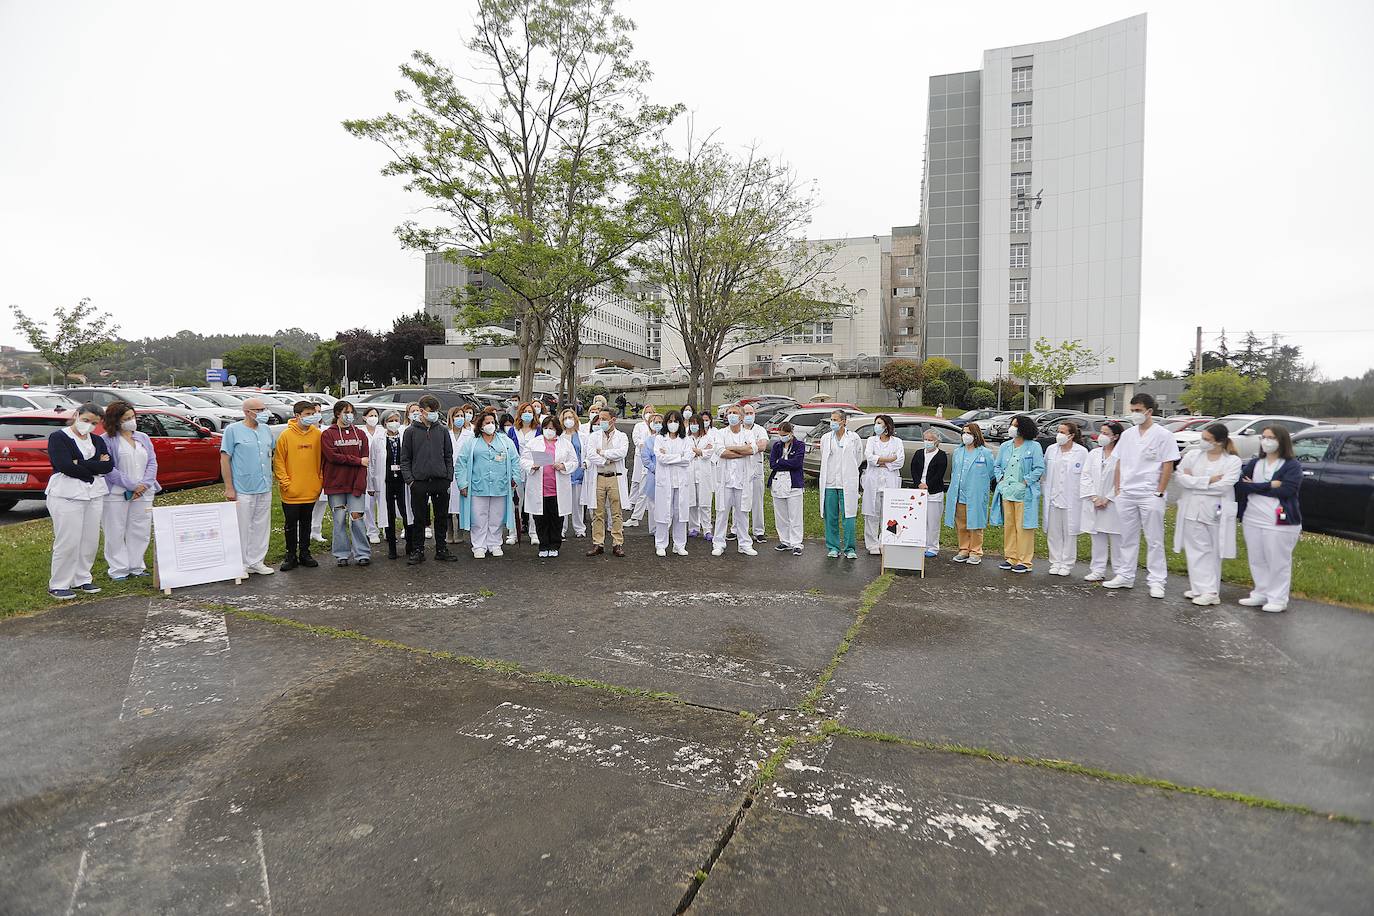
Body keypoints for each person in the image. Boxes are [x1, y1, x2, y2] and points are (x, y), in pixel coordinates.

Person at [1106, 393, 1180, 597]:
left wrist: (1160, 491)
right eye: (1132, 410)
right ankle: (1125, 575)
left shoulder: (1163, 435)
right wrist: (1118, 489)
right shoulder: (1128, 435)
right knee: (1127, 537)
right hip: (1127, 493)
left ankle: (1157, 581)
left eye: (1138, 410)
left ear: (1149, 411)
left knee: (1154, 538)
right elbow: (1119, 461)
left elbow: (1168, 465)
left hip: (1150, 493)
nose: (1134, 414)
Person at [45, 403, 112, 599]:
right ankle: (59, 583)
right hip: (66, 494)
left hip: (94, 495)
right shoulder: (59, 437)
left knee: (89, 540)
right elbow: (65, 465)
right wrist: (93, 469)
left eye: (94, 423)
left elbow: (108, 466)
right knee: (68, 540)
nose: (89, 425)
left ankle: (82, 578)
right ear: (76, 415)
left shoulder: (97, 440)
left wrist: (81, 463)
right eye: (86, 420)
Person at [1173, 422, 1242, 606]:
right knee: (1195, 549)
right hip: (1191, 509)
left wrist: (1194, 482)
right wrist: (1207, 481)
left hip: (1215, 511)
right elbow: (1180, 478)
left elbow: (1224, 486)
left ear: (1219, 442)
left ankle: (1211, 591)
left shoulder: (1232, 461)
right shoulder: (1193, 456)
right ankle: (1199, 588)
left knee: (1212, 550)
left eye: (1207, 439)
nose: (1203, 442)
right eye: (1202, 438)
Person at [1236, 424, 1303, 612]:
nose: (1266, 441)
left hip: (1279, 521)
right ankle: (1261, 593)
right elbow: (1241, 486)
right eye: (1264, 437)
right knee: (1257, 558)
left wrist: (1256, 486)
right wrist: (1269, 485)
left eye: (1271, 437)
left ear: (1281, 441)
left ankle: (1278, 598)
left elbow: (1288, 490)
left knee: (1277, 560)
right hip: (1253, 518)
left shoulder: (1292, 466)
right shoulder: (1255, 463)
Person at [98, 400, 160, 580]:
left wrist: (145, 484)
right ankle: (118, 568)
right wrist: (132, 485)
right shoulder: (106, 440)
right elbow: (109, 468)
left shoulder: (142, 438)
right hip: (116, 493)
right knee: (115, 531)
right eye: (126, 418)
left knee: (140, 529)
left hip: (144, 492)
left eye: (133, 417)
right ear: (115, 420)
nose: (131, 421)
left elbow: (152, 461)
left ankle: (136, 566)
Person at [220, 395, 277, 577]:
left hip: (264, 485)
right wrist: (229, 487)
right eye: (259, 410)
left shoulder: (266, 430)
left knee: (261, 525)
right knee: (242, 526)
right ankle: (241, 563)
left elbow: (271, 453)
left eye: (264, 409)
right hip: (243, 487)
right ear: (247, 412)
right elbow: (225, 458)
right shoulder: (233, 430)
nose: (263, 413)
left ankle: (256, 561)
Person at [455, 409, 523, 558]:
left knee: (496, 517)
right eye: (487, 423)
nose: (490, 425)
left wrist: (515, 479)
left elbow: (515, 461)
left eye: (492, 422)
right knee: (478, 517)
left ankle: (495, 544)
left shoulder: (505, 442)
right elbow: (461, 463)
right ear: (480, 426)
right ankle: (479, 545)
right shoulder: (471, 442)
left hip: (501, 486)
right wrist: (463, 484)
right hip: (478, 486)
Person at [400, 394, 457, 565]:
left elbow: (448, 455)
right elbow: (405, 459)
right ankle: (418, 550)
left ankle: (441, 548)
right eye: (432, 411)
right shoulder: (410, 431)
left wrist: (448, 477)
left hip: (440, 480)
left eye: (436, 412)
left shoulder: (442, 430)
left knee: (441, 517)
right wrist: (410, 480)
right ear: (422, 411)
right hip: (419, 482)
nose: (435, 415)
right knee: (419, 518)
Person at [272, 399, 324, 571]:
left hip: (311, 489)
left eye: (313, 414)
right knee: (290, 524)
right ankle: (290, 555)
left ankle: (305, 553)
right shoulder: (286, 436)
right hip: (291, 491)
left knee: (306, 523)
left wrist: (319, 481)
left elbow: (323, 461)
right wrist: (286, 482)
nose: (311, 417)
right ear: (297, 416)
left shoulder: (317, 435)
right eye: (307, 415)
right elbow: (278, 462)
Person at [990, 415, 1045, 573]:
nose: (1011, 428)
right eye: (1011, 425)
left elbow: (1039, 468)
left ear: (1023, 428)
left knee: (1024, 527)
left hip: (1023, 493)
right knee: (1010, 526)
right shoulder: (1006, 446)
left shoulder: (1033, 446)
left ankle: (1025, 561)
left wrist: (1026, 482)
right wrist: (1000, 480)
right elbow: (997, 466)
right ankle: (1011, 557)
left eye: (1015, 425)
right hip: (1007, 491)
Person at [321, 401, 372, 567]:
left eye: (351, 412)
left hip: (355, 484)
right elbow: (333, 457)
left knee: (357, 518)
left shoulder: (361, 435)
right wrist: (356, 461)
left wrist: (360, 482)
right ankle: (341, 554)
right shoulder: (328, 435)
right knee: (339, 519)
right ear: (337, 414)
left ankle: (362, 553)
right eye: (346, 412)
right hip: (335, 484)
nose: (349, 415)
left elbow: (365, 462)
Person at [520, 415, 577, 558]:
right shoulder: (534, 443)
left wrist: (563, 466)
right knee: (540, 518)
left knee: (556, 518)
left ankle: (554, 545)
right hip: (539, 488)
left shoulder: (565, 444)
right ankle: (543, 545)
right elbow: (524, 459)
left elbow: (574, 461)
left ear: (557, 429)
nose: (548, 431)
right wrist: (532, 466)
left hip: (557, 489)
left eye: (551, 428)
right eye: (545, 428)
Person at [1079, 421, 1124, 582]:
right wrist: (1093, 497)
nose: (1101, 436)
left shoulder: (1122, 455)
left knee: (1117, 537)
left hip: (1113, 503)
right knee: (1097, 536)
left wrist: (1108, 498)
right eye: (1101, 432)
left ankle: (1120, 572)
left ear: (1115, 437)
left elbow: (1122, 479)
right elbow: (1085, 476)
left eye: (1106, 433)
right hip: (1094, 501)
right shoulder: (1094, 454)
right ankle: (1098, 569)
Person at [711, 406, 759, 557]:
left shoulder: (749, 433)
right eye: (729, 413)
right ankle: (718, 543)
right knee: (722, 513)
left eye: (735, 413)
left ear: (742, 417)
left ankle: (744, 544)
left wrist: (732, 448)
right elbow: (721, 452)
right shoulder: (720, 433)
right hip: (725, 481)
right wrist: (741, 451)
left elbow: (752, 450)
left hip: (742, 480)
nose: (732, 415)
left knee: (742, 513)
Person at [1043, 421, 1089, 576]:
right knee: (1054, 531)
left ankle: (1067, 563)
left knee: (1069, 531)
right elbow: (1045, 471)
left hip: (1071, 498)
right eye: (1058, 431)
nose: (1059, 434)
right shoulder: (1051, 450)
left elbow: (1086, 475)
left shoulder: (1081, 452)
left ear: (1071, 435)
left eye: (1062, 432)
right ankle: (1055, 561)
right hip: (1053, 496)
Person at [946, 423, 994, 565]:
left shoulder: (984, 453)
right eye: (963, 432)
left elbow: (991, 472)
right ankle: (964, 549)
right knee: (961, 524)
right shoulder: (958, 452)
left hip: (976, 494)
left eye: (968, 433)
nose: (965, 436)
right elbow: (955, 471)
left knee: (976, 523)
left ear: (976, 435)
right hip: (959, 493)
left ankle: (975, 551)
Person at [367, 410, 412, 560]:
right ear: (385, 423)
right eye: (391, 420)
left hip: (403, 481)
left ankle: (410, 545)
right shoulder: (378, 439)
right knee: (389, 514)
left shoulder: (405, 437)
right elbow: (372, 463)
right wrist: (371, 485)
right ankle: (392, 547)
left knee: (406, 513)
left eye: (396, 420)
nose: (394, 423)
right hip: (385, 481)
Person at [584, 408, 629, 557]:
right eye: (600, 419)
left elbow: (621, 453)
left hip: (615, 477)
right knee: (598, 512)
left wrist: (602, 452)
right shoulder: (593, 436)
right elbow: (590, 454)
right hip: (599, 477)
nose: (601, 421)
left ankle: (617, 543)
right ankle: (598, 543)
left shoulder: (622, 436)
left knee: (616, 512)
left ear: (613, 420)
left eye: (604, 419)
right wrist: (605, 460)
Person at [819, 410, 862, 559]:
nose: (833, 423)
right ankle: (833, 547)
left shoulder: (853, 438)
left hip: (847, 483)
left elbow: (858, 457)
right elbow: (824, 456)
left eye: (836, 420)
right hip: (830, 482)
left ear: (844, 421)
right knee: (830, 517)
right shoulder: (826, 438)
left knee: (848, 516)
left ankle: (849, 548)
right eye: (832, 419)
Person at [651, 410, 694, 557]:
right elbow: (661, 458)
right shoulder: (660, 439)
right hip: (665, 482)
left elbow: (687, 459)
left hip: (680, 482)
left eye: (676, 421)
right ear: (666, 423)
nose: (673, 424)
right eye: (670, 421)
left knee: (680, 514)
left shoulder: (686, 440)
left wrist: (670, 456)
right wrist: (679, 457)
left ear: (680, 423)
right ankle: (661, 544)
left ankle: (679, 544)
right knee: (663, 513)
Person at [862, 415, 904, 555]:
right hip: (873, 481)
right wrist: (888, 460)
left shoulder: (897, 442)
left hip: (890, 481)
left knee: (889, 515)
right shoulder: (871, 440)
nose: (876, 425)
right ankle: (872, 544)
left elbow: (899, 461)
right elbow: (869, 457)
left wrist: (880, 461)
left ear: (887, 426)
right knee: (871, 514)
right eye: (875, 423)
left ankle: (885, 542)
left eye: (879, 423)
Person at [910, 428, 949, 559]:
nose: (927, 442)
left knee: (933, 522)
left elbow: (940, 473)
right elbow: (914, 469)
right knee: (919, 520)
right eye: (926, 439)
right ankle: (920, 544)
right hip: (919, 491)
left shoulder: (941, 455)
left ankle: (932, 546)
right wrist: (918, 484)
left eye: (930, 440)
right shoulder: (919, 453)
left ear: (937, 441)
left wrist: (928, 485)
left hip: (934, 492)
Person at [768, 421, 806, 555]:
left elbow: (797, 463)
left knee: (795, 515)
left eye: (785, 434)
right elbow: (772, 464)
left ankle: (796, 543)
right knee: (781, 515)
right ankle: (785, 541)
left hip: (793, 483)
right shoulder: (777, 446)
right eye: (780, 434)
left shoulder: (799, 445)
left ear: (791, 433)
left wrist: (781, 462)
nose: (782, 437)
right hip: (778, 482)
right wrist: (783, 463)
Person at [741, 404, 771, 543]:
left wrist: (744, 448)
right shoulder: (738, 430)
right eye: (746, 413)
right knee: (739, 501)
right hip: (741, 469)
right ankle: (737, 529)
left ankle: (758, 531)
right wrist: (753, 447)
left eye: (751, 413)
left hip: (756, 469)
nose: (748, 415)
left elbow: (763, 446)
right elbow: (734, 448)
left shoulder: (760, 430)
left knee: (757, 501)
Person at [559, 408, 589, 539]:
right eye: (565, 418)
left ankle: (579, 528)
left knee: (578, 504)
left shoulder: (582, 436)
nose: (568, 420)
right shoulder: (559, 437)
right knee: (562, 503)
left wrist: (586, 463)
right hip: (563, 473)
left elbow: (587, 453)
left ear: (575, 419)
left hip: (579, 473)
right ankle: (562, 529)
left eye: (570, 417)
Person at [444, 406, 472, 545]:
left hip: (464, 472)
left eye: (462, 415)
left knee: (462, 501)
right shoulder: (445, 433)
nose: (460, 418)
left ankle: (460, 530)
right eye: (457, 416)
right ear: (451, 417)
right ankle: (449, 530)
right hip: (448, 471)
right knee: (448, 503)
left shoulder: (470, 434)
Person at [687, 413, 717, 541]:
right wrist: (700, 451)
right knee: (692, 503)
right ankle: (693, 528)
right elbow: (685, 454)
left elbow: (710, 453)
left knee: (705, 503)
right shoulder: (685, 438)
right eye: (691, 423)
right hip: (690, 474)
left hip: (704, 474)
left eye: (696, 423)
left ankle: (707, 529)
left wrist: (697, 451)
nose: (694, 426)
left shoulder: (708, 438)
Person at [626, 403, 657, 527]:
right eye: (647, 412)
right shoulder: (640, 426)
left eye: (651, 412)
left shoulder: (662, 434)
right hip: (647, 464)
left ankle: (658, 524)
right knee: (642, 488)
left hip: (662, 467)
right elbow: (637, 440)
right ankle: (635, 517)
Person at [361, 406, 383, 544]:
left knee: (383, 502)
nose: (373, 418)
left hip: (381, 472)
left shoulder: (382, 431)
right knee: (368, 505)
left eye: (375, 415)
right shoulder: (360, 432)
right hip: (365, 471)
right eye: (371, 415)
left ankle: (386, 528)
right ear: (364, 418)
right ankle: (372, 531)